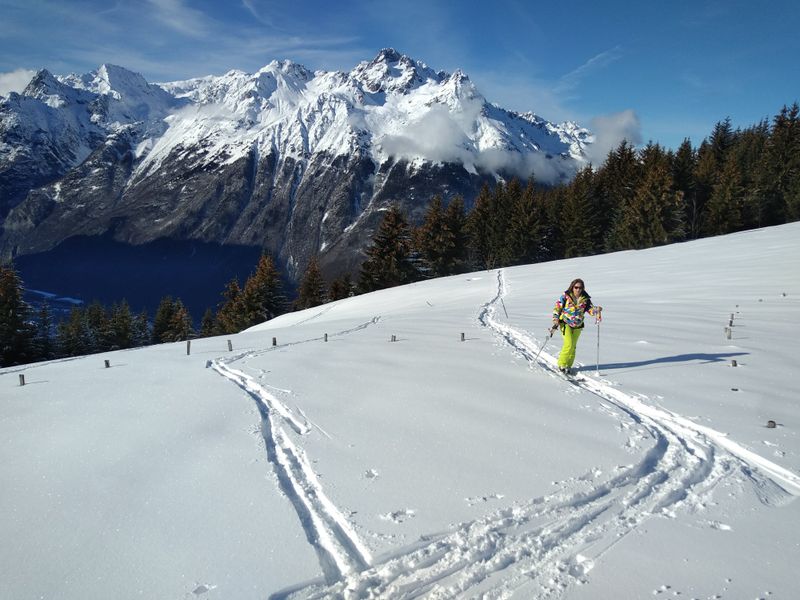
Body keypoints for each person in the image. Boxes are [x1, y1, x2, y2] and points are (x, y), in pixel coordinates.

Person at [551, 278, 602, 374]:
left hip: (578, 325)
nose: (578, 289)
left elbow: (590, 310)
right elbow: (557, 307)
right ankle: (561, 364)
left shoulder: (585, 299)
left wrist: (597, 310)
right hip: (565, 323)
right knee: (568, 344)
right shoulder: (566, 296)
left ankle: (568, 365)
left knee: (573, 346)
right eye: (576, 287)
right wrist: (555, 318)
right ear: (572, 287)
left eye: (580, 288)